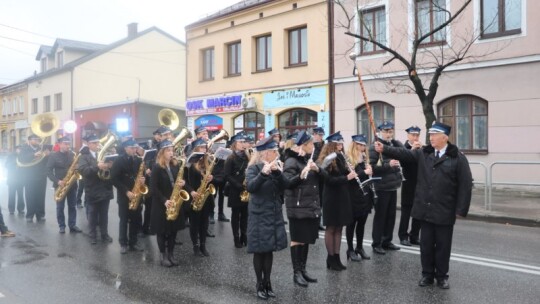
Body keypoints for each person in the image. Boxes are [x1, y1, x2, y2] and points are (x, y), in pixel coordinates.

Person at [374, 121, 472, 289]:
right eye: (430, 134)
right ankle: (427, 275)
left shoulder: (458, 157)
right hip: (425, 208)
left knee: (443, 246)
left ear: (444, 137)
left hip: (444, 209)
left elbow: (465, 185)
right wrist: (384, 148)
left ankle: (442, 276)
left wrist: (461, 210)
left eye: (434, 135)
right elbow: (404, 154)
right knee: (426, 245)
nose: (430, 138)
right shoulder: (424, 153)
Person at [246, 136, 287, 300]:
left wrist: (278, 173)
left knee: (269, 250)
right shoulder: (253, 168)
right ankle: (259, 284)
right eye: (274, 151)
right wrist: (263, 174)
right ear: (265, 153)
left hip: (273, 213)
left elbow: (285, 186)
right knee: (259, 251)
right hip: (259, 214)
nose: (277, 154)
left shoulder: (276, 167)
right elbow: (251, 187)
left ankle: (268, 282)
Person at [282, 130, 321, 287]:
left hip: (308, 205)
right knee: (297, 240)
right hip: (297, 207)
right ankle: (296, 273)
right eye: (311, 144)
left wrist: (316, 169)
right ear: (304, 145)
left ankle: (303, 270)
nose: (314, 147)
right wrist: (301, 175)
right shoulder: (292, 161)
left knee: (305, 239)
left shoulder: (307, 159)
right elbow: (287, 183)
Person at [317, 131, 354, 271]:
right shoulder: (327, 159)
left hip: (342, 196)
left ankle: (337, 257)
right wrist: (347, 178)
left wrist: (351, 171)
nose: (341, 145)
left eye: (341, 143)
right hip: (331, 197)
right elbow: (328, 180)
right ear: (332, 144)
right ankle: (330, 257)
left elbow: (345, 175)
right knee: (331, 228)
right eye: (338, 143)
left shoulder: (341, 157)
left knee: (339, 227)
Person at [150, 140, 190, 267]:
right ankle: (163, 255)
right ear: (162, 152)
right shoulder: (157, 168)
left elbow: (179, 180)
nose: (171, 153)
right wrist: (164, 200)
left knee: (173, 231)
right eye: (168, 150)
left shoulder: (175, 165)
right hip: (162, 203)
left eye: (172, 150)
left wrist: (182, 184)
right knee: (162, 231)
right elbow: (153, 188)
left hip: (174, 201)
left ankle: (171, 254)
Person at [369, 121, 403, 254]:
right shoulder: (374, 147)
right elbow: (372, 168)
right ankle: (376, 243)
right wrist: (388, 165)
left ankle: (387, 240)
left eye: (390, 131)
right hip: (381, 186)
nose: (389, 134)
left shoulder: (392, 144)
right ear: (380, 132)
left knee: (391, 216)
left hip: (392, 185)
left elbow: (403, 152)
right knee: (380, 216)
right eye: (386, 131)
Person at [78, 135, 114, 245]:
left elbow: (110, 172)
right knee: (92, 215)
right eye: (94, 143)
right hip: (92, 189)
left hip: (105, 188)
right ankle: (92, 235)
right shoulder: (84, 157)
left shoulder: (104, 155)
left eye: (98, 142)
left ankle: (104, 234)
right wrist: (98, 167)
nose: (97, 145)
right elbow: (84, 171)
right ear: (88, 144)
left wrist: (110, 166)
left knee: (104, 214)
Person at [111, 139, 145, 254]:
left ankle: (133, 242)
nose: (134, 150)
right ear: (125, 148)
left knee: (135, 219)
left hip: (136, 194)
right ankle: (123, 243)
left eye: (135, 148)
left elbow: (141, 174)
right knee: (124, 220)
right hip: (124, 195)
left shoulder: (138, 160)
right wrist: (126, 191)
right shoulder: (119, 160)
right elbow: (114, 179)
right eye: (132, 148)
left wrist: (143, 180)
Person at [345, 135, 373, 261]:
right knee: (351, 224)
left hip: (365, 194)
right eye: (360, 145)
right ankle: (350, 249)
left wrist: (370, 171)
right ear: (354, 145)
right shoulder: (349, 159)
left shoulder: (364, 158)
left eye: (363, 145)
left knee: (362, 223)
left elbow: (366, 177)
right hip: (353, 195)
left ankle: (359, 247)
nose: (363, 147)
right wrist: (364, 172)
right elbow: (351, 177)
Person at [46, 137, 82, 234]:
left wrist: (77, 168)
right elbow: (48, 171)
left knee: (72, 206)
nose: (67, 146)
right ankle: (62, 226)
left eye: (68, 144)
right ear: (60, 144)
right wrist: (57, 181)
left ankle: (72, 225)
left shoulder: (72, 155)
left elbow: (77, 169)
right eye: (65, 144)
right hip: (60, 185)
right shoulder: (54, 156)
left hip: (72, 184)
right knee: (60, 207)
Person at [185, 138, 215, 257]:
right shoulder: (190, 163)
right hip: (194, 196)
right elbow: (184, 181)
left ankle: (203, 245)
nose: (204, 149)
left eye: (204, 147)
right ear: (196, 149)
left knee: (204, 223)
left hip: (206, 198)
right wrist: (191, 191)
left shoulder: (208, 161)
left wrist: (212, 178)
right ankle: (195, 246)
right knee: (194, 223)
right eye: (201, 147)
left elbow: (217, 177)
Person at [224, 132, 249, 248]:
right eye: (241, 142)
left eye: (244, 142)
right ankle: (236, 238)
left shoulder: (248, 156)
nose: (243, 144)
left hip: (246, 189)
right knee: (236, 215)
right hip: (235, 190)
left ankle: (244, 235)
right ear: (235, 144)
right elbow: (227, 175)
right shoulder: (231, 158)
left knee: (245, 214)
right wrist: (238, 185)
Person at [399, 126, 423, 246]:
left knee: (418, 212)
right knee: (406, 212)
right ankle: (403, 236)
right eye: (413, 135)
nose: (415, 137)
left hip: (420, 185)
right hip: (408, 184)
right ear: (408, 136)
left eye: (417, 135)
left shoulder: (421, 148)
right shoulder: (404, 148)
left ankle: (414, 235)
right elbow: (403, 162)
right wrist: (412, 150)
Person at [18, 134, 51, 223]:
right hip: (29, 176)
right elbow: (21, 159)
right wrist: (33, 155)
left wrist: (47, 156)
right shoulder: (24, 148)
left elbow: (46, 163)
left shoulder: (41, 148)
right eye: (35, 139)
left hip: (41, 176)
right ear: (29, 140)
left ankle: (40, 215)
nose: (37, 140)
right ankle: (30, 215)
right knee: (30, 196)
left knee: (41, 196)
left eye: (38, 139)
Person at [312, 127, 326, 231]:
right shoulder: (312, 145)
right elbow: (312, 158)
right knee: (314, 199)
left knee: (320, 199)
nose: (321, 137)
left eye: (322, 135)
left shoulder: (324, 145)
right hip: (313, 175)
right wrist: (317, 147)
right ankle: (313, 221)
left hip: (322, 174)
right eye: (319, 135)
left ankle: (318, 221)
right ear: (314, 134)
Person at [5, 146, 25, 215]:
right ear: (16, 149)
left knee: (20, 195)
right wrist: (15, 162)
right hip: (12, 179)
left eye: (20, 149)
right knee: (11, 195)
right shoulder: (10, 156)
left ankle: (21, 208)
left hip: (20, 179)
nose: (20, 150)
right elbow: (6, 165)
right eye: (19, 149)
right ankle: (11, 209)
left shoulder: (22, 156)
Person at [76, 136, 89, 209]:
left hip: (86, 170)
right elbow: (78, 159)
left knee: (87, 187)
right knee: (80, 187)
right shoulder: (82, 149)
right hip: (80, 171)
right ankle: (78, 202)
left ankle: (86, 202)